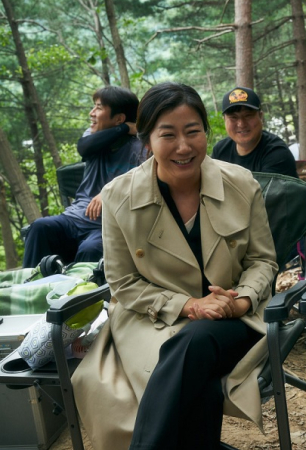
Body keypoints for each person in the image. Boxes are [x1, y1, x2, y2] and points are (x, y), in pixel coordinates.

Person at [71, 82, 278, 450]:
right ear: (147, 140)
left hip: (233, 318)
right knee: (193, 363)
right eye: (168, 134)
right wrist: (190, 305)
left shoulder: (241, 183)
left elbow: (262, 260)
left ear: (205, 133)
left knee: (194, 343)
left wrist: (241, 301)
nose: (184, 146)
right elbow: (123, 282)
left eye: (193, 131)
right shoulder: (120, 195)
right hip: (150, 318)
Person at [22, 86, 143, 268]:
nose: (91, 113)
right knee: (40, 227)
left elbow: (147, 180)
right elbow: (83, 148)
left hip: (107, 226)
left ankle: (83, 296)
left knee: (91, 249)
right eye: (93, 106)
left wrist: (111, 191)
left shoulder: (139, 148)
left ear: (118, 118)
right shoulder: (93, 137)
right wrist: (124, 128)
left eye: (99, 108)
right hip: (73, 219)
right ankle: (30, 289)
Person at [212, 86, 298, 178]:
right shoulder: (221, 151)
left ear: (260, 116)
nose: (241, 124)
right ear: (224, 120)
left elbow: (261, 192)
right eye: (233, 117)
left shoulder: (277, 153)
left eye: (248, 116)